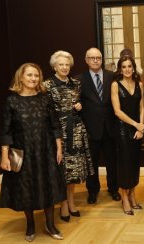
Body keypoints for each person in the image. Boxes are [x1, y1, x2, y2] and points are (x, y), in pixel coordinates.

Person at [0, 63, 66, 241]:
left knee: (49, 187)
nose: (33, 78)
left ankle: (50, 225)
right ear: (20, 77)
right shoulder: (12, 101)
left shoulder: (45, 98)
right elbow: (6, 131)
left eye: (36, 75)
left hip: (45, 151)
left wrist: (59, 147)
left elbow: (55, 125)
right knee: (25, 189)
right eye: (29, 75)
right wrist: (5, 155)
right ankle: (30, 225)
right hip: (22, 153)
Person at [44, 50, 94, 222]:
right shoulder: (47, 85)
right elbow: (47, 113)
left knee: (73, 171)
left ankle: (71, 202)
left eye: (67, 64)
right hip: (58, 134)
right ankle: (63, 204)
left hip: (76, 131)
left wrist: (79, 105)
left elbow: (78, 103)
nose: (65, 67)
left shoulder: (76, 83)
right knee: (62, 171)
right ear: (54, 66)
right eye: (61, 64)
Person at [77, 47, 121, 204]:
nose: (96, 60)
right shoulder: (79, 80)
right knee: (92, 163)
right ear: (86, 60)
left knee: (112, 161)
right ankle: (93, 191)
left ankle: (113, 189)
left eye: (98, 58)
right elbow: (77, 102)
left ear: (102, 59)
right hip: (91, 129)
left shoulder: (112, 77)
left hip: (110, 127)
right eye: (92, 58)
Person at [111, 55, 144, 215]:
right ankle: (124, 197)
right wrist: (135, 124)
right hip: (122, 130)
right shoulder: (115, 85)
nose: (127, 69)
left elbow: (142, 108)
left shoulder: (139, 84)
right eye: (123, 67)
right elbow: (117, 111)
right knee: (124, 165)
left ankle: (132, 194)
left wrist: (141, 128)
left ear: (133, 68)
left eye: (129, 66)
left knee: (134, 163)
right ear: (120, 69)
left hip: (137, 130)